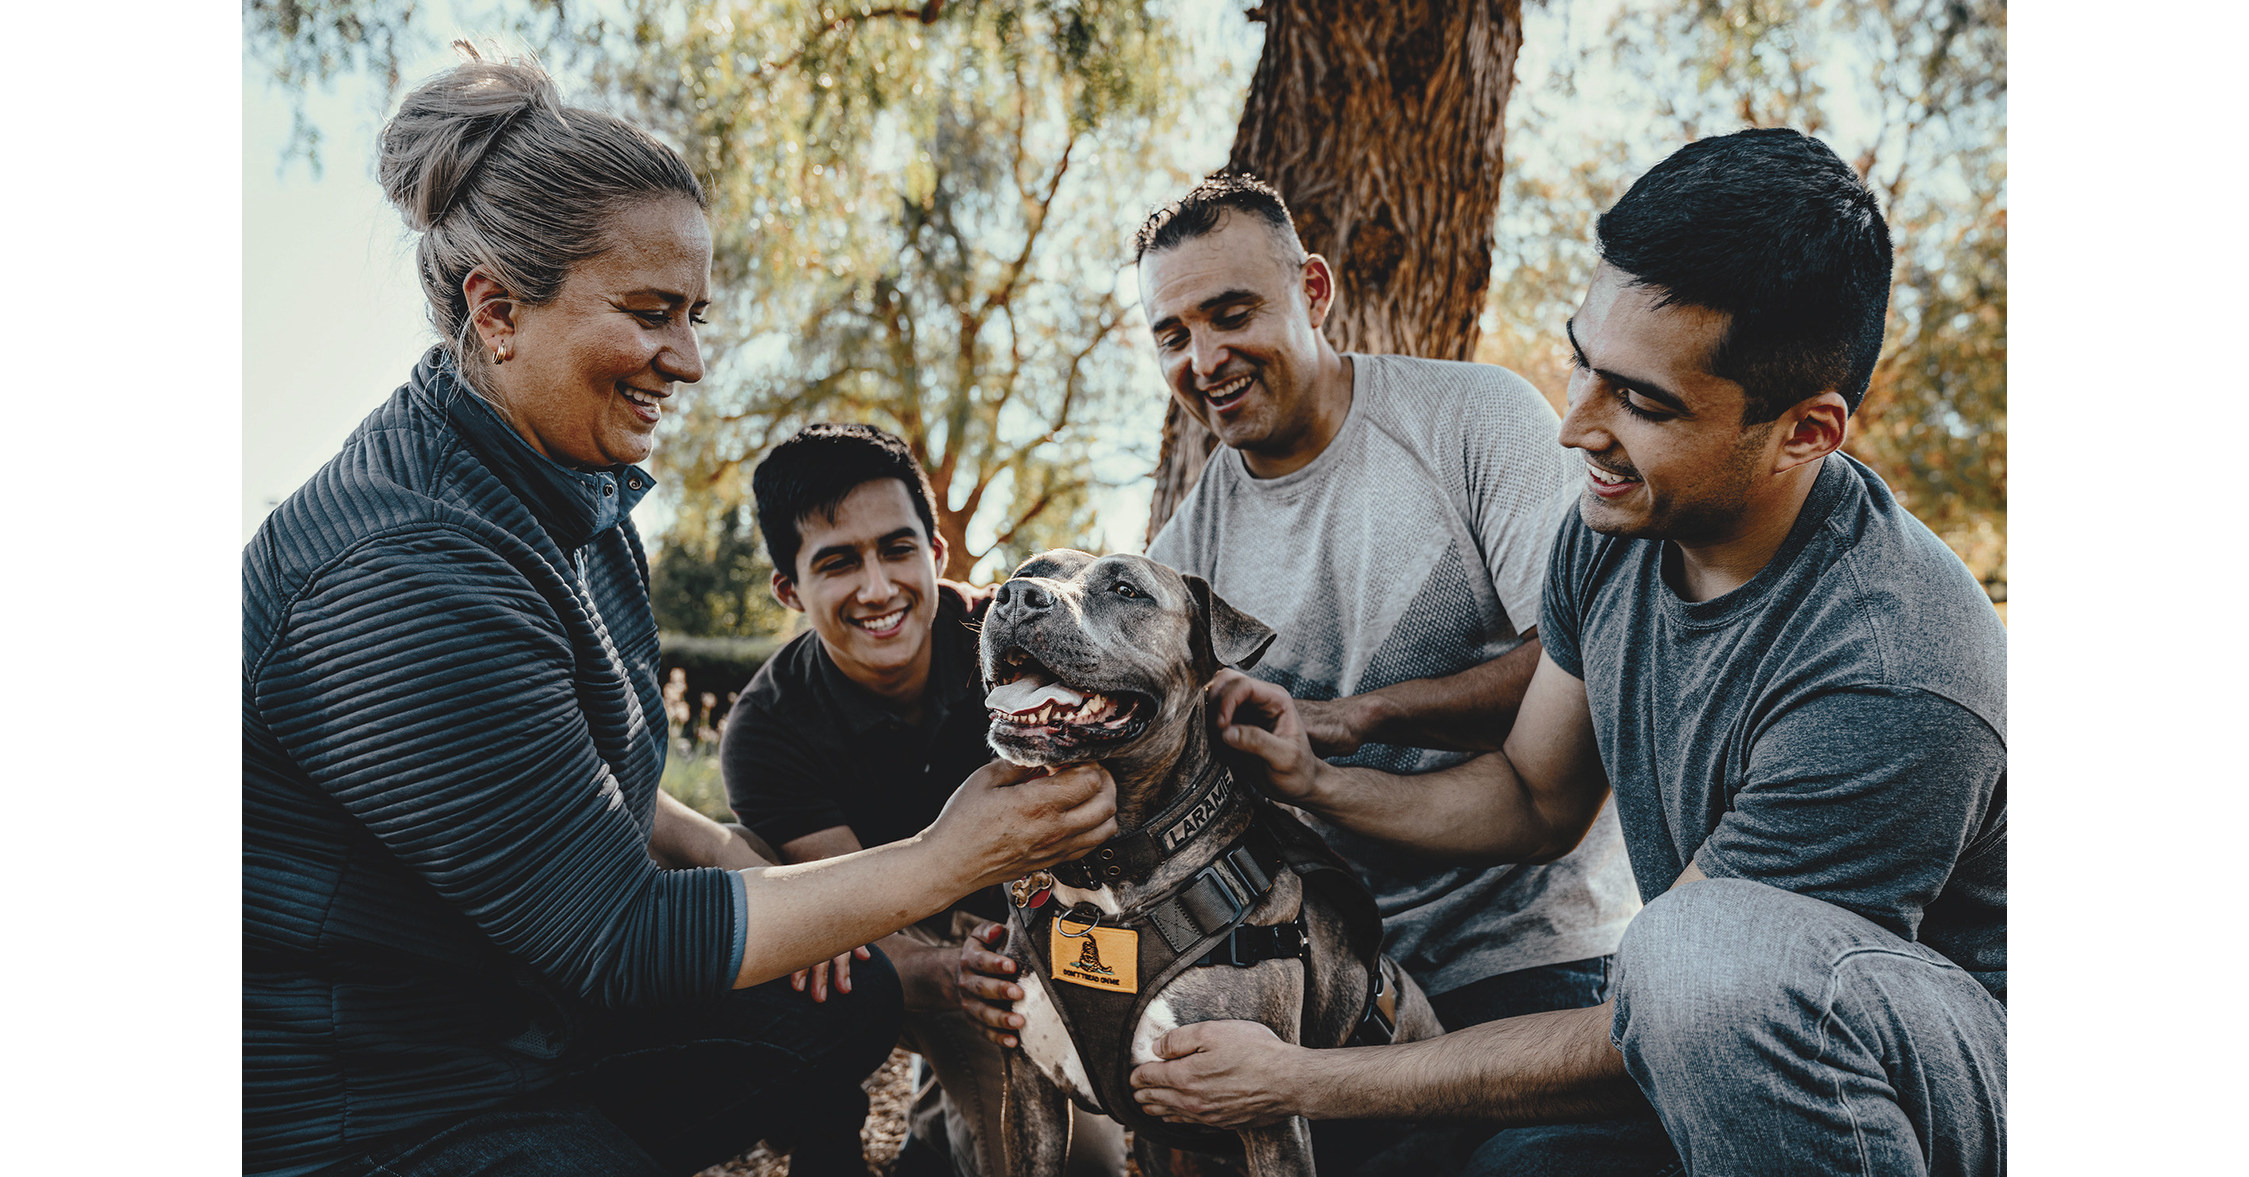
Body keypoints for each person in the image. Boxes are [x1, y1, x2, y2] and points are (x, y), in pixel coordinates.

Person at [241, 53, 1116, 1177]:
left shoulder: (557, 483)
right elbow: (618, 940)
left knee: (845, 996)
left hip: (520, 1014)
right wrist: (952, 856)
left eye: (695, 315)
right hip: (371, 1090)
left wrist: (738, 864)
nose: (692, 361)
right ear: (496, 309)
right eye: (653, 314)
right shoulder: (406, 569)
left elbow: (575, 779)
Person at [1128, 129, 2006, 1176]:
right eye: (1583, 362)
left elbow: (1672, 1013)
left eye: (1639, 400)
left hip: (1943, 1077)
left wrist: (1299, 1078)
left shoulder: (1888, 671)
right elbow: (1531, 799)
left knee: (1687, 957)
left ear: (1804, 433)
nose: (1573, 425)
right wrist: (1319, 774)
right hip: (1703, 1022)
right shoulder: (1613, 534)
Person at [1120, 173, 1641, 1171]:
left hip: (1538, 951)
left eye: (1231, 314)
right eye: (1172, 334)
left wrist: (1347, 717)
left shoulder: (1472, 419)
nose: (1204, 358)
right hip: (1344, 985)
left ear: (1311, 290)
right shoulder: (1181, 559)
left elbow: (1575, 651)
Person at [719, 423, 1126, 1177]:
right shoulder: (765, 730)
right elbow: (858, 927)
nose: (878, 588)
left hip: (1036, 929)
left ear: (935, 553)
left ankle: (927, 1148)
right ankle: (837, 1131)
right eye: (838, 563)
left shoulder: (1020, 645)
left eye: (897, 548)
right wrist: (957, 975)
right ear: (788, 588)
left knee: (1089, 1158)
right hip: (890, 954)